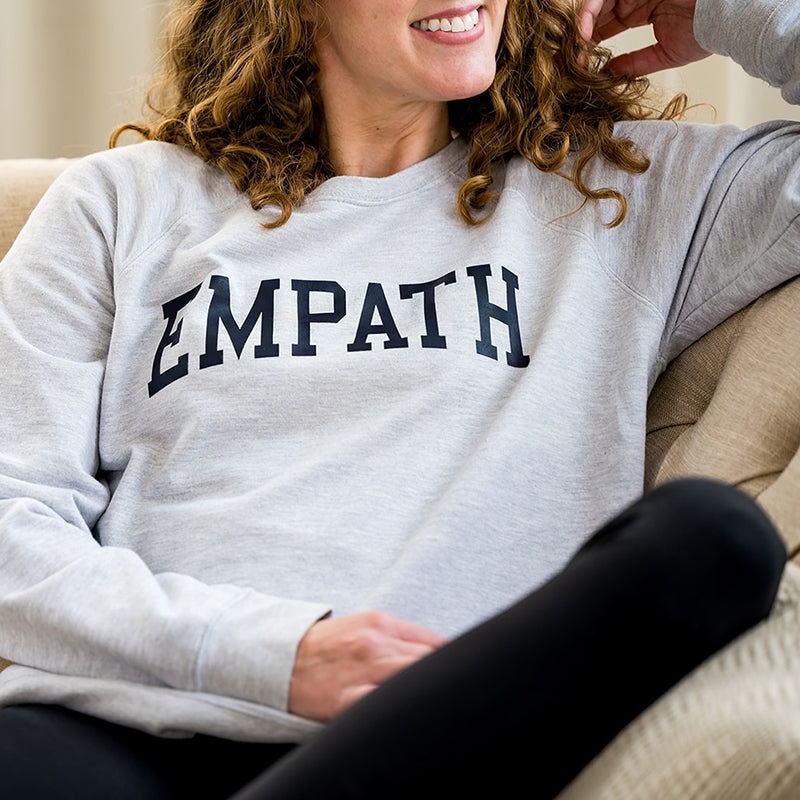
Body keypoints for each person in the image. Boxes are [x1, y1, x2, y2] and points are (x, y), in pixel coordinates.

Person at [0, 0, 795, 797]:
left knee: (715, 538)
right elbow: (12, 520)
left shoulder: (615, 191)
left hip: (442, 737)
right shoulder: (120, 206)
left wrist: (731, 9)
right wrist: (277, 655)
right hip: (119, 730)